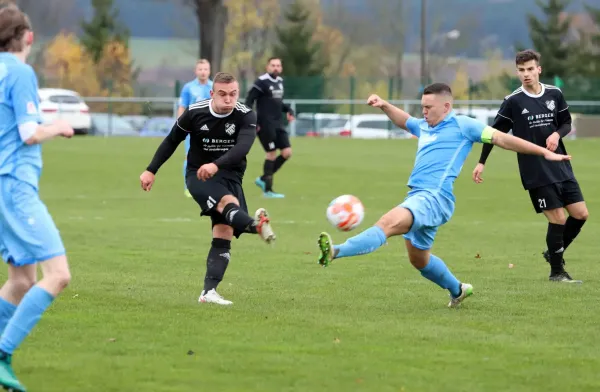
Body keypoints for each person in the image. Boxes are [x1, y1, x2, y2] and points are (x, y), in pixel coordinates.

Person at [316, 83, 572, 308]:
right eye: (422, 107)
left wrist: (543, 152)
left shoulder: (463, 125)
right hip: (418, 196)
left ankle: (336, 252)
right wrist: (384, 104)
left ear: (446, 106)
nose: (424, 112)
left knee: (387, 223)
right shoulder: (425, 126)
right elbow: (404, 120)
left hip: (434, 198)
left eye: (428, 107)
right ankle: (458, 290)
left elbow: (502, 139)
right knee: (419, 260)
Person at [140, 72, 276, 306]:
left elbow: (242, 148)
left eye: (233, 94)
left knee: (224, 232)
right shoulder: (195, 112)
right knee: (227, 203)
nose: (228, 99)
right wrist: (151, 169)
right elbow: (172, 140)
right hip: (198, 175)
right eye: (222, 94)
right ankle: (256, 226)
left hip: (230, 175)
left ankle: (208, 292)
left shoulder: (246, 115)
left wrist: (216, 165)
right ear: (212, 94)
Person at [0, 4, 74, 391]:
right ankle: (2, 353)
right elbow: (29, 132)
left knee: (21, 280)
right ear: (28, 37)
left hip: (1, 187)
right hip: (14, 186)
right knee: (58, 275)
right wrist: (58, 125)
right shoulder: (20, 72)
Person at [472, 49, 588, 283]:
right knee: (557, 219)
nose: (526, 74)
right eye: (522, 70)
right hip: (535, 170)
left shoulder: (554, 94)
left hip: (561, 164)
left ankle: (553, 253)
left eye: (530, 69)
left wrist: (556, 134)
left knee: (581, 214)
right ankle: (557, 272)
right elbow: (493, 134)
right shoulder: (513, 101)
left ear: (539, 70)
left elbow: (566, 122)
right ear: (518, 72)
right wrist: (482, 162)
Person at [245, 57, 295, 198]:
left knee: (287, 153)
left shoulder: (280, 82)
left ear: (281, 68)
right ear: (267, 67)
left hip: (278, 124)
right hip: (265, 125)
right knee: (271, 154)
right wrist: (251, 120)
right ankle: (268, 191)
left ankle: (263, 178)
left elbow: (278, 103)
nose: (276, 68)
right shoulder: (261, 82)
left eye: (278, 65)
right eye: (273, 65)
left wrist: (289, 110)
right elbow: (249, 101)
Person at [178, 59, 213, 198]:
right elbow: (182, 106)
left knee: (210, 158)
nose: (203, 72)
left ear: (209, 71)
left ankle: (207, 185)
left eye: (205, 69)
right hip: (192, 129)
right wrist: (180, 125)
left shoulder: (214, 87)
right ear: (195, 71)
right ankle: (189, 186)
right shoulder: (188, 87)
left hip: (211, 129)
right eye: (200, 69)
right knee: (190, 158)